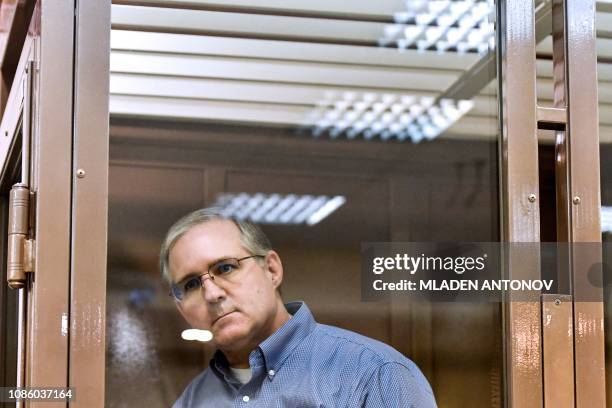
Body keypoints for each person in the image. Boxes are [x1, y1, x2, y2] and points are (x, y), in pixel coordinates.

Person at [160, 207, 437, 407]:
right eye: (191, 284)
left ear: (271, 269)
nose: (211, 293)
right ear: (182, 309)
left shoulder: (374, 373)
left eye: (225, 267)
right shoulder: (193, 400)